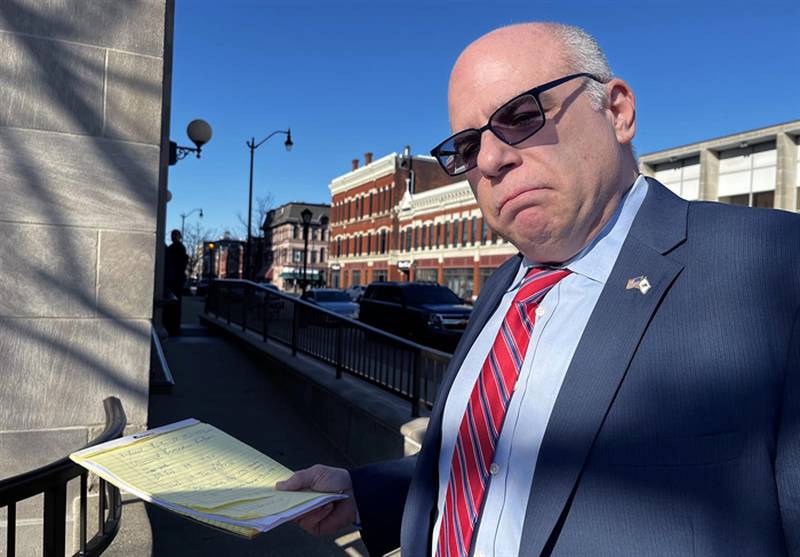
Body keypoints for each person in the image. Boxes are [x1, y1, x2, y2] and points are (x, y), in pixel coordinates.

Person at [277, 22, 800, 556]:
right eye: (467, 145)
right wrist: (364, 494)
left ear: (617, 111)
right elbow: (502, 467)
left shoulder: (775, 267)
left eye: (522, 116)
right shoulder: (504, 288)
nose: (489, 160)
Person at [164, 229, 189, 336]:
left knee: (174, 305)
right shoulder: (174, 248)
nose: (173, 237)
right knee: (174, 306)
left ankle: (173, 328)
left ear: (179, 237)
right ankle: (173, 327)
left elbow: (180, 264)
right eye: (172, 235)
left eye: (175, 235)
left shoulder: (177, 248)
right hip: (174, 280)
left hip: (174, 281)